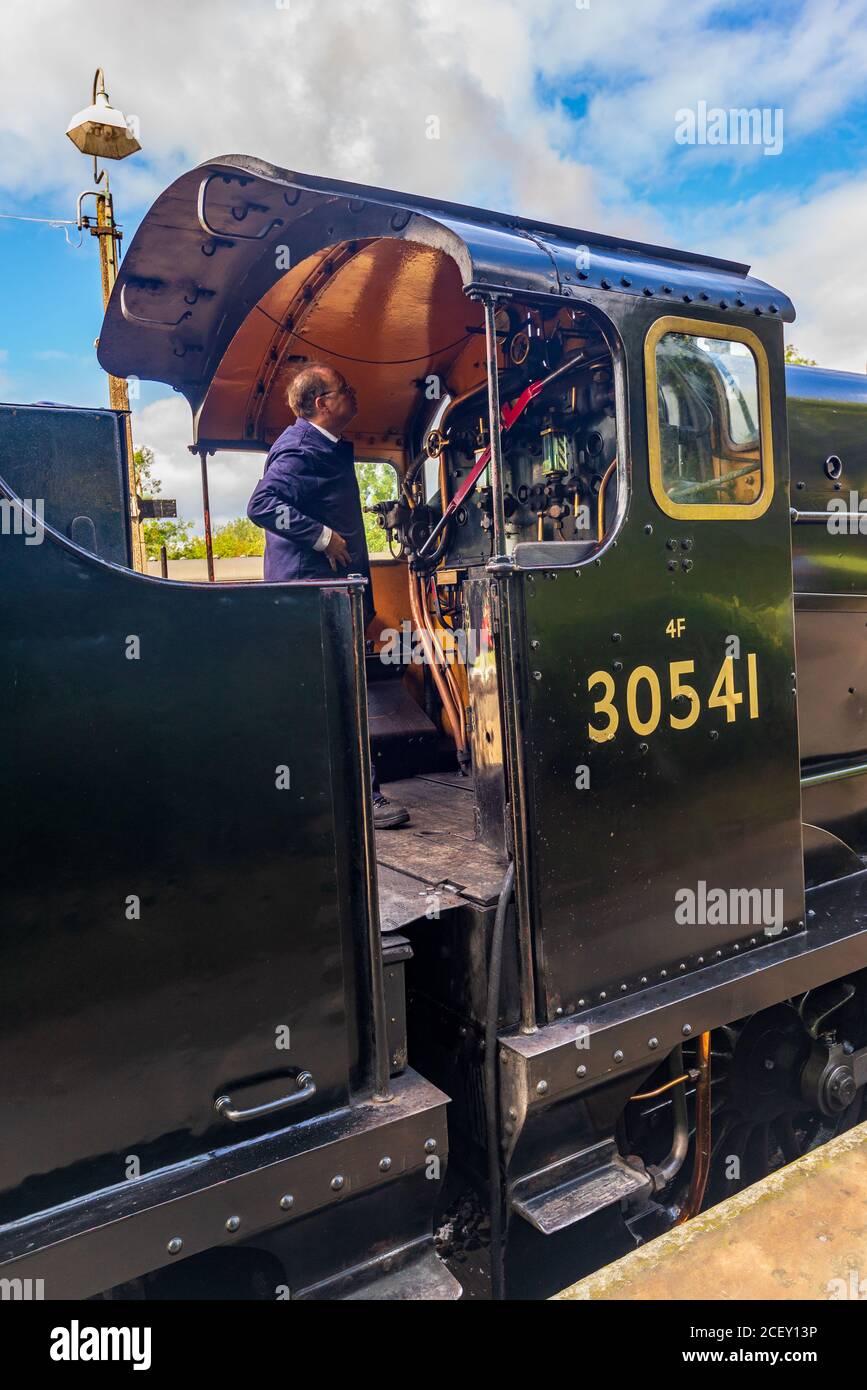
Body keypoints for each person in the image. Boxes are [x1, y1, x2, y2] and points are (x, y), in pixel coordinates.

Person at [247, 362, 409, 829]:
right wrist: (322, 537)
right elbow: (261, 505)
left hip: (329, 599)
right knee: (338, 701)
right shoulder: (301, 448)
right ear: (322, 404)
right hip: (312, 601)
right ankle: (363, 800)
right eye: (346, 389)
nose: (353, 395)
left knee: (331, 702)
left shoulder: (323, 447)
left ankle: (326, 797)